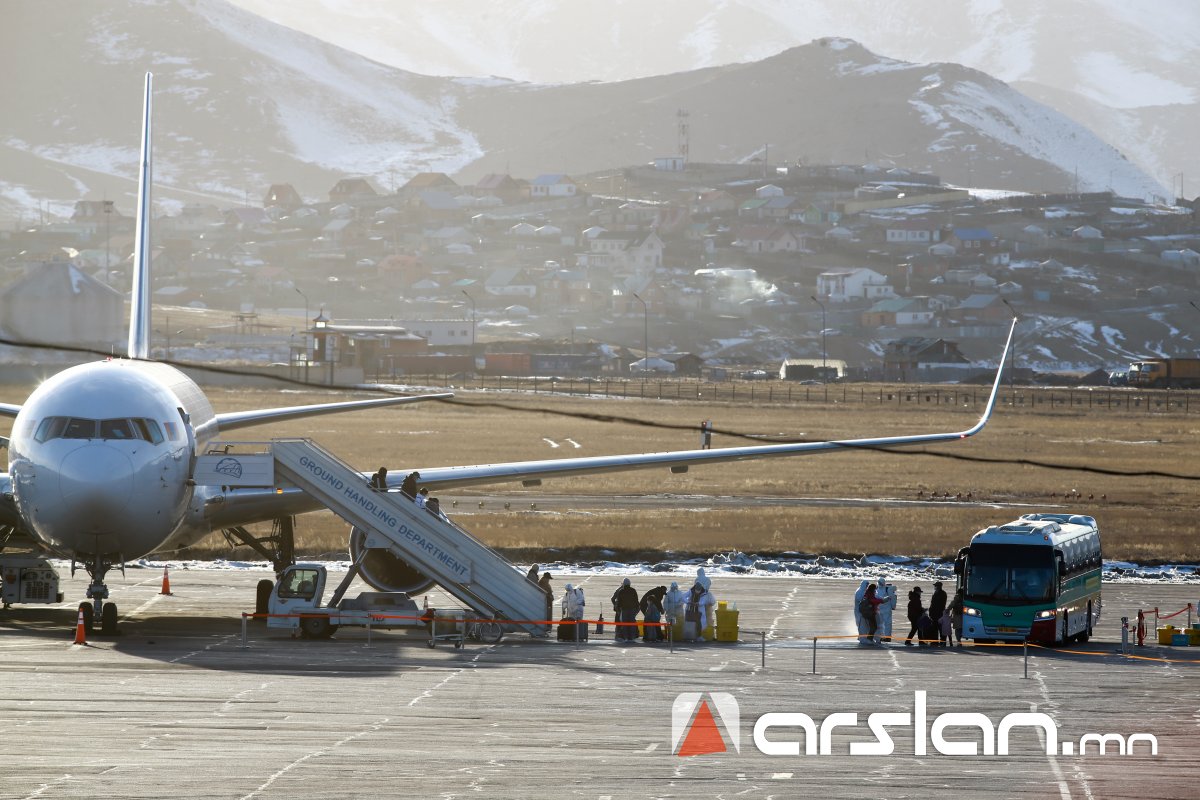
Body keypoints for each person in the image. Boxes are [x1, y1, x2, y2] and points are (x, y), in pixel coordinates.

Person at [875, 578, 898, 645]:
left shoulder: (887, 589)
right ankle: (882, 636)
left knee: (887, 624)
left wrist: (893, 606)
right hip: (880, 609)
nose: (880, 584)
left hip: (886, 609)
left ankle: (887, 637)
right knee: (881, 624)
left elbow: (893, 598)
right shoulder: (877, 589)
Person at [929, 581, 949, 647]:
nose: (935, 587)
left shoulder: (942, 594)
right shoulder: (935, 593)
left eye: (936, 586)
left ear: (939, 586)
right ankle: (935, 641)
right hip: (934, 614)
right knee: (934, 628)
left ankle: (942, 642)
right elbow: (932, 604)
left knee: (941, 629)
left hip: (939, 613)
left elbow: (940, 604)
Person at [853, 580, 871, 645]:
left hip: (863, 611)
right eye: (866, 585)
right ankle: (861, 637)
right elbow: (859, 599)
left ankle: (862, 636)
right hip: (858, 611)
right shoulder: (859, 591)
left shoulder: (864, 591)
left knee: (863, 624)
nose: (867, 586)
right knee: (860, 624)